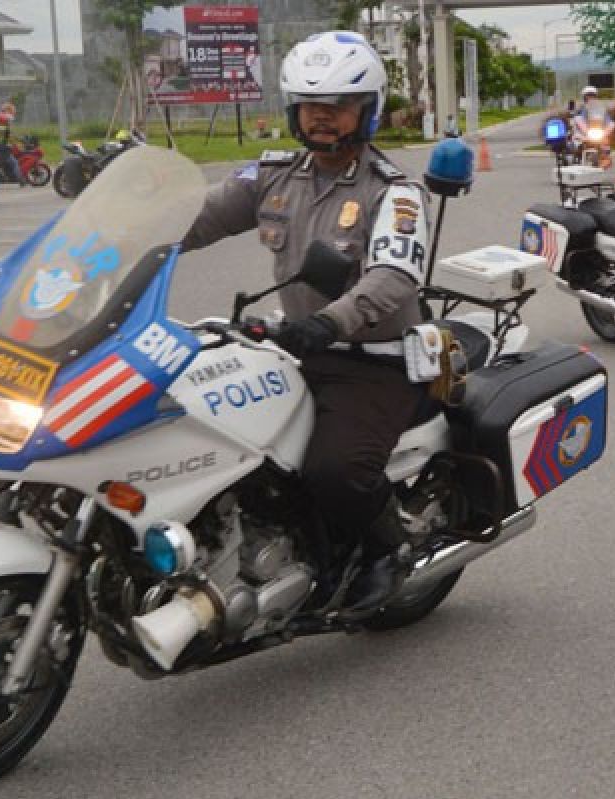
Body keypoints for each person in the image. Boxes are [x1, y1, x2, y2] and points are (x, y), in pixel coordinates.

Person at [179, 31, 432, 614]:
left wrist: (330, 321)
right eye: (311, 106)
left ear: (365, 110)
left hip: (369, 362)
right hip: (291, 350)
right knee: (208, 429)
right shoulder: (272, 176)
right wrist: (123, 242)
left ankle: (385, 553)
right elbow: (197, 219)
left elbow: (393, 277)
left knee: (334, 469)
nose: (323, 118)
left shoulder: (392, 193)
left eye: (338, 106)